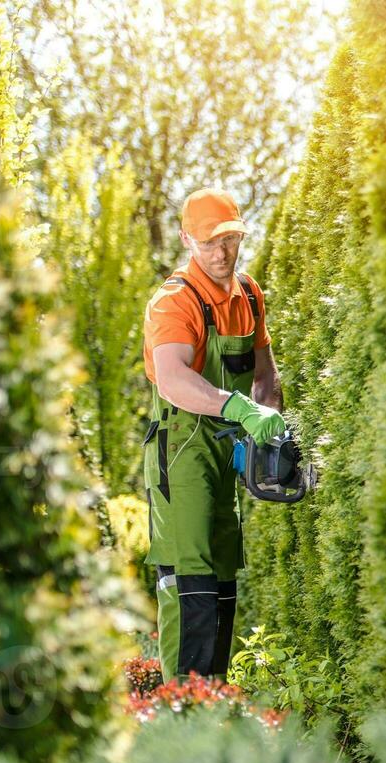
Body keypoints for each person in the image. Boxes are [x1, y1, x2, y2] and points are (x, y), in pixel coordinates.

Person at [140, 188, 286, 677]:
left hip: (228, 450)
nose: (221, 252)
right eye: (208, 242)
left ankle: (215, 700)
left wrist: (269, 434)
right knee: (190, 578)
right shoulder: (173, 302)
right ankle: (183, 713)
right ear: (186, 240)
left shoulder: (248, 294)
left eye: (229, 239)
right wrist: (239, 407)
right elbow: (175, 379)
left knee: (224, 577)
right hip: (182, 449)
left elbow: (265, 376)